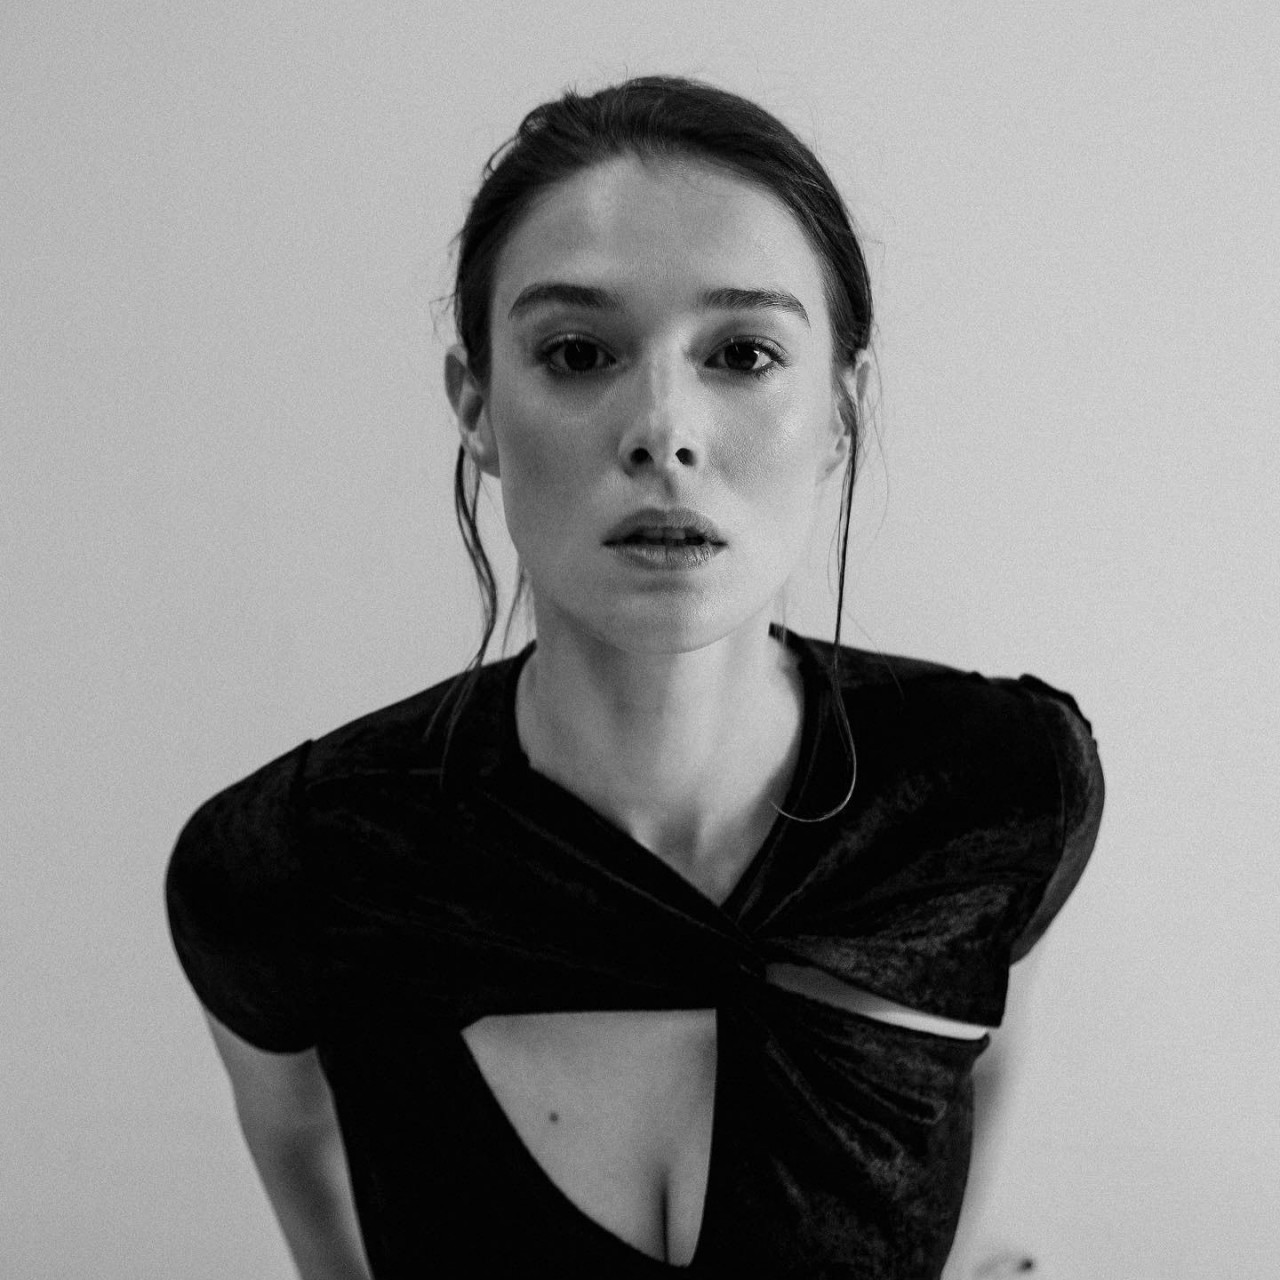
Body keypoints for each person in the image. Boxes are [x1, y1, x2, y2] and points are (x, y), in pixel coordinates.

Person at [165, 75, 1105, 1279]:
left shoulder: (999, 788)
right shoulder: (292, 867)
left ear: (839, 412)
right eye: (576, 352)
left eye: (743, 352)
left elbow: (982, 1045)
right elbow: (298, 1147)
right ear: (476, 407)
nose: (664, 427)